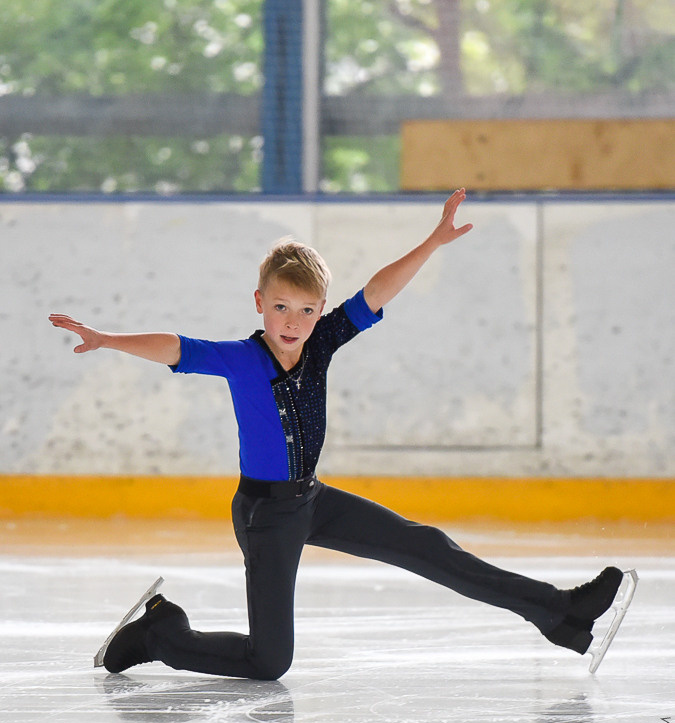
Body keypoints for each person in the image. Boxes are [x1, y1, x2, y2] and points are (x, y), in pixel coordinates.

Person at [49, 189, 627, 680]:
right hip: (265, 515)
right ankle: (161, 634)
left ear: (319, 308)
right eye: (281, 307)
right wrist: (106, 339)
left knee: (427, 546)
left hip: (312, 500)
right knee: (269, 661)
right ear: (260, 303)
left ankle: (559, 613)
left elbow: (376, 292)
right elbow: (176, 347)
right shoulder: (242, 359)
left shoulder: (321, 342)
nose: (293, 322)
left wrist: (431, 242)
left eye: (306, 311)